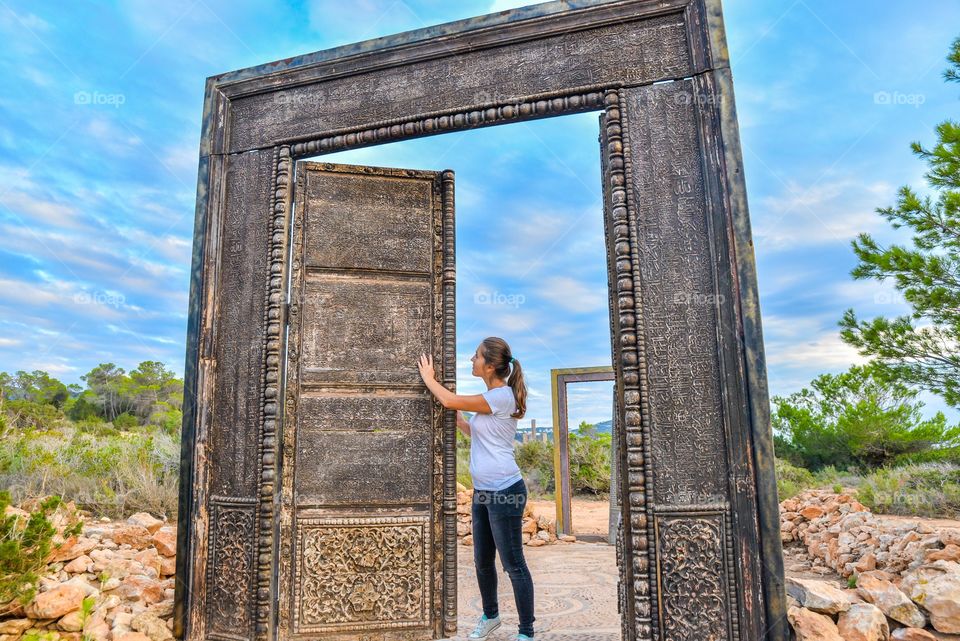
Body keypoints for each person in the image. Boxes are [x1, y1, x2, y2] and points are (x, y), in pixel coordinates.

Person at [416, 336, 536, 640]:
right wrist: (461, 424)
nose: (472, 359)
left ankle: (526, 632)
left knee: (513, 564)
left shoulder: (502, 396)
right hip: (484, 491)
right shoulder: (491, 399)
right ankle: (491, 617)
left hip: (505, 491)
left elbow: (448, 400)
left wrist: (429, 379)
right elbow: (482, 435)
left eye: (476, 356)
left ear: (490, 365)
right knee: (482, 562)